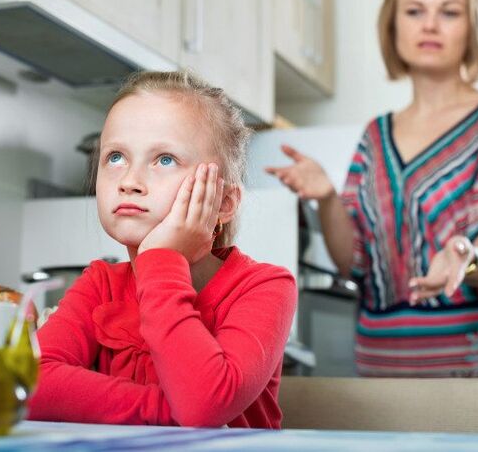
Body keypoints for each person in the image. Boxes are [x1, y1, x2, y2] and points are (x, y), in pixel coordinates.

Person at [265, 0, 478, 434]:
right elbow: (351, 261)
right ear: (393, 26)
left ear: (473, 26)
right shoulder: (375, 138)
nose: (430, 24)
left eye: (450, 11)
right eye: (414, 10)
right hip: (382, 393)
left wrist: (464, 252)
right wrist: (328, 199)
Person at [28, 71, 297, 428]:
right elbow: (31, 381)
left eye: (165, 159)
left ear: (224, 202)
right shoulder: (100, 284)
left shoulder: (265, 287)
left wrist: (160, 261)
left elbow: (205, 404)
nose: (129, 182)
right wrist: (171, 410)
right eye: (116, 158)